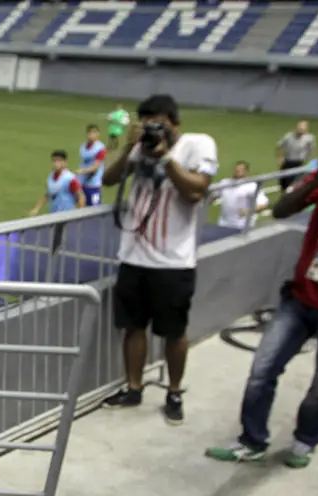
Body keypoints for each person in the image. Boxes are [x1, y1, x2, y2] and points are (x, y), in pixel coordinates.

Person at [206, 110, 318, 467]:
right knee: (263, 369)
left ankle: (306, 439)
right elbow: (282, 209)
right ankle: (252, 439)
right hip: (301, 297)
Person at [100, 94, 219, 424]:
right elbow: (108, 180)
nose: (153, 128)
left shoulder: (197, 145)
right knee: (133, 327)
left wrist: (166, 157)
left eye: (159, 122)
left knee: (174, 332)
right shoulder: (140, 147)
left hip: (173, 262)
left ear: (176, 124)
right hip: (134, 257)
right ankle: (133, 387)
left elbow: (196, 190)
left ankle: (174, 391)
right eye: (147, 121)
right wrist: (129, 149)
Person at [214, 160, 270, 231]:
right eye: (236, 169)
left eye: (241, 170)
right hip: (223, 224)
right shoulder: (225, 183)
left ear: (246, 171)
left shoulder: (251, 186)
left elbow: (264, 204)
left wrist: (248, 211)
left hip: (242, 225)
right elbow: (213, 196)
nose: (238, 171)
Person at [29, 149, 85, 216]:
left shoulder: (70, 178)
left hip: (68, 216)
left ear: (65, 162)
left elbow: (81, 196)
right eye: (54, 161)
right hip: (54, 215)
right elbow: (48, 194)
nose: (56, 164)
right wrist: (36, 208)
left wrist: (79, 213)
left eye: (59, 161)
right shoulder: (51, 176)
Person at [277, 120, 315, 191]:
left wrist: (306, 159)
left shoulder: (309, 138)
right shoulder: (288, 136)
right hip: (287, 162)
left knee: (292, 184)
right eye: (300, 129)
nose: (301, 131)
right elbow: (279, 146)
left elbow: (311, 149)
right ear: (297, 128)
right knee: (283, 183)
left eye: (303, 130)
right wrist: (280, 158)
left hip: (298, 163)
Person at [76, 124, 107, 205]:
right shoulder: (83, 146)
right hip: (81, 183)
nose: (92, 135)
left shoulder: (100, 149)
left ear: (98, 134)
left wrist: (81, 171)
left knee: (94, 209)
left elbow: (95, 167)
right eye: (90, 133)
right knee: (80, 209)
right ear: (87, 134)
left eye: (95, 132)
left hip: (94, 185)